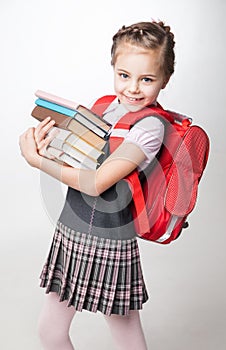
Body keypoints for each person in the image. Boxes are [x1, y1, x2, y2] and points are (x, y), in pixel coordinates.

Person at [19, 20, 175, 350]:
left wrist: (37, 161)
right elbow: (81, 164)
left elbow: (96, 183)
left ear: (165, 79)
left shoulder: (150, 127)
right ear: (114, 68)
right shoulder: (106, 107)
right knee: (50, 330)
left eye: (146, 79)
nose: (133, 88)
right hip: (72, 230)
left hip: (110, 241)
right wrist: (50, 148)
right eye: (124, 75)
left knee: (126, 333)